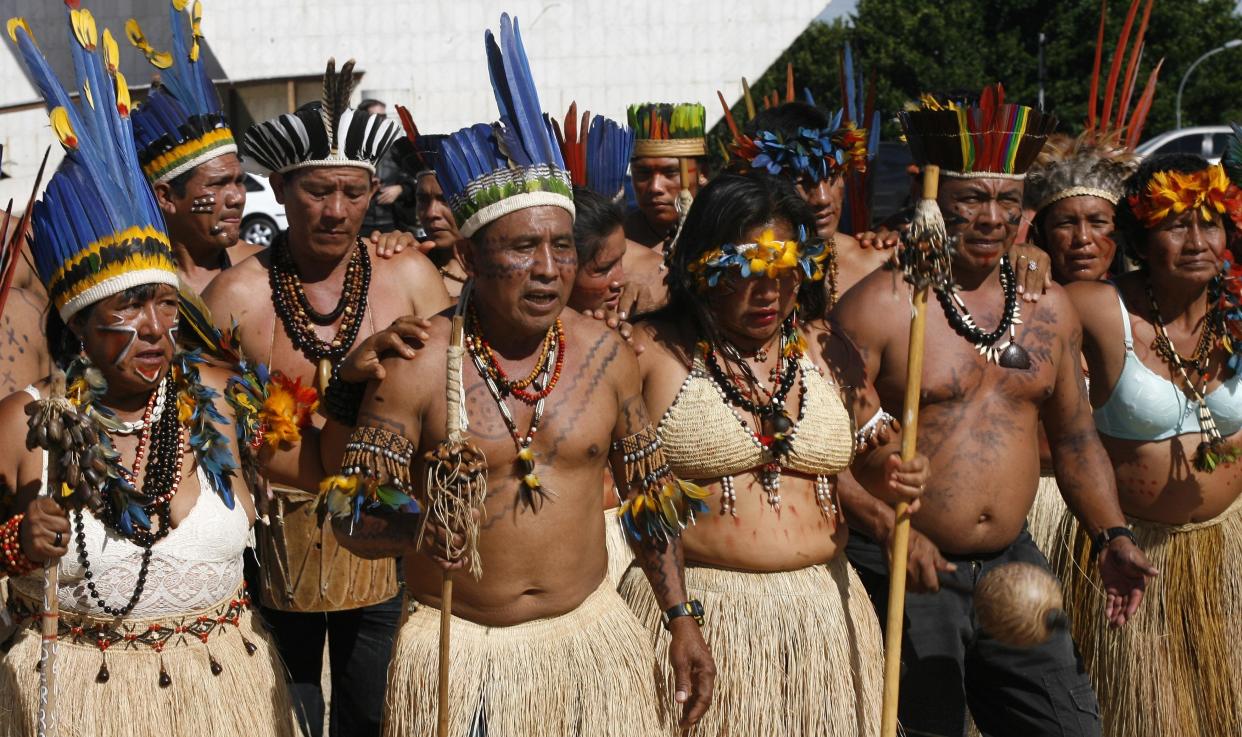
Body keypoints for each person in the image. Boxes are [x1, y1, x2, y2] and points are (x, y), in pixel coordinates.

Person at [323, 17, 714, 735]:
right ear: (470, 259)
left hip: (590, 643)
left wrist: (681, 617)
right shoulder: (415, 366)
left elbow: (651, 500)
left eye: (561, 247)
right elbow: (349, 517)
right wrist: (417, 526)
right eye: (522, 247)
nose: (547, 269)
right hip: (465, 654)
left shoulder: (606, 356)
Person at [0, 11, 321, 735]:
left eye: (165, 304)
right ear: (79, 321)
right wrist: (15, 541)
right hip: (86, 703)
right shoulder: (25, 423)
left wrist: (379, 399)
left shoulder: (227, 393)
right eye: (129, 307)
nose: (155, 328)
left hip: (226, 697)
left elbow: (331, 467)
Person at [832, 87, 1157, 737]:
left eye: (1007, 200)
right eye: (971, 199)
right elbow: (817, 455)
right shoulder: (881, 308)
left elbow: (1073, 438)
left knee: (1068, 726)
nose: (990, 216)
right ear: (934, 201)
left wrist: (1111, 534)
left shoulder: (1049, 308)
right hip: (908, 566)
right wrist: (887, 526)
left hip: (1014, 563)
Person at [619, 170, 927, 737]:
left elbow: (876, 457)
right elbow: (632, 501)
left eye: (784, 273)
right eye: (747, 274)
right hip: (702, 617)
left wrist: (900, 472)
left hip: (824, 616)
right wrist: (680, 619)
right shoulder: (648, 350)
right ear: (703, 270)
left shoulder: (825, 345)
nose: (769, 294)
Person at [203, 60, 451, 737]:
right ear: (281, 187)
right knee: (289, 716)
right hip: (272, 552)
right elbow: (202, 427)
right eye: (317, 190)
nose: (335, 210)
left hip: (391, 545)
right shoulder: (236, 299)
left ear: (374, 191)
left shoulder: (409, 277)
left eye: (352, 191)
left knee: (377, 714)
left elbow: (456, 395)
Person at [1061, 152, 1242, 737]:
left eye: (1209, 221)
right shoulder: (1096, 307)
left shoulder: (1237, 308)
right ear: (1141, 232)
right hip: (1137, 561)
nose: (1196, 241)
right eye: (1173, 224)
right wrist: (1032, 263)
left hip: (1230, 557)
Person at [1019, 15, 1160, 569]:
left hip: (1119, 516)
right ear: (1041, 233)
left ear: (1118, 232)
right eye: (1065, 224)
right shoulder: (1019, 297)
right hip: (1036, 507)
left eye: (1098, 223)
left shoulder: (1144, 304)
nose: (1082, 240)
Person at [126, 3, 263, 295]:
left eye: (238, 181)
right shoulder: (134, 287)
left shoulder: (265, 269)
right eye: (218, 184)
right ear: (166, 196)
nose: (237, 197)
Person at [358, 99, 414, 237]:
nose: (382, 121)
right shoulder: (349, 150)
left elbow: (416, 181)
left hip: (392, 223)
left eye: (384, 116)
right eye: (377, 117)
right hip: (360, 223)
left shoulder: (398, 148)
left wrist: (400, 189)